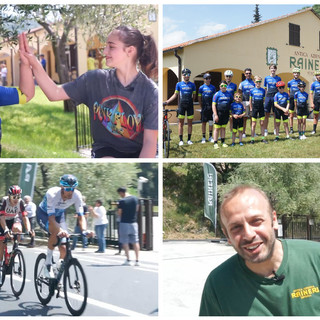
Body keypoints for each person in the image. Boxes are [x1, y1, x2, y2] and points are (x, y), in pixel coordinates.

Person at [20, 26, 158, 158]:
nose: (104, 52)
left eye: (111, 46)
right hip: (106, 151)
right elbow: (54, 93)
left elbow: (150, 143)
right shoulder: (94, 79)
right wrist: (33, 62)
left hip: (139, 153)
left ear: (130, 51)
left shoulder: (150, 92)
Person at [200, 185, 320, 316]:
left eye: (256, 221)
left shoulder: (315, 258)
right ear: (227, 236)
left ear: (274, 220)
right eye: (236, 227)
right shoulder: (218, 285)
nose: (249, 234)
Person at [36, 174, 87, 278]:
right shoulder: (52, 194)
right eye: (68, 189)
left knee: (64, 247)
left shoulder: (77, 195)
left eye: (73, 188)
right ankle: (48, 264)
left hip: (59, 215)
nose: (71, 192)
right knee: (55, 232)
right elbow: (51, 219)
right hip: (44, 215)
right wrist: (60, 230)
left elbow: (81, 217)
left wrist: (85, 231)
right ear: (62, 187)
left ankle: (57, 270)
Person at [0, 186, 31, 285]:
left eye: (18, 197)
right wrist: (5, 230)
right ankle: (1, 263)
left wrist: (29, 230)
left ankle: (15, 251)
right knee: (1, 241)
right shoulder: (4, 201)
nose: (16, 199)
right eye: (14, 197)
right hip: (3, 221)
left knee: (18, 229)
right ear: (9, 196)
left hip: (13, 220)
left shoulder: (21, 202)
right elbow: (1, 217)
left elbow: (25, 217)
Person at [164, 68, 196, 146]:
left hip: (190, 106)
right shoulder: (179, 84)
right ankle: (181, 140)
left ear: (189, 75)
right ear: (182, 75)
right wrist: (167, 101)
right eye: (184, 74)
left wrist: (190, 102)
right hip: (181, 106)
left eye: (188, 74)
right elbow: (175, 95)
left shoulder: (193, 85)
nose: (186, 76)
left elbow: (194, 96)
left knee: (190, 124)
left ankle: (189, 139)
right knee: (180, 124)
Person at [117, 187, 140, 266]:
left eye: (120, 194)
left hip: (124, 223)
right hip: (134, 223)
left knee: (125, 241)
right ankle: (137, 260)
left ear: (121, 192)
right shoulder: (135, 199)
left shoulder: (122, 201)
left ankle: (128, 260)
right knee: (135, 241)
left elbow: (120, 212)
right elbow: (137, 209)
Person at [212, 81, 233, 149]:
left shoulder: (229, 94)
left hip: (226, 113)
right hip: (218, 113)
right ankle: (215, 143)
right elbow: (213, 105)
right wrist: (215, 115)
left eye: (225, 86)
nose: (223, 87)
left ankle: (223, 142)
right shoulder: (217, 94)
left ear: (227, 87)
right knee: (217, 128)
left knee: (223, 128)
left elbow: (232, 104)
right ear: (219, 87)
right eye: (222, 86)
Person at [264, 64, 281, 136]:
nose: (273, 70)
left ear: (276, 69)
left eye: (274, 68)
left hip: (275, 97)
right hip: (268, 97)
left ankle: (275, 130)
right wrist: (265, 98)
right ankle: (265, 130)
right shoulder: (266, 78)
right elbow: (265, 89)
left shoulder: (278, 78)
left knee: (275, 114)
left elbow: (280, 89)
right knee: (266, 114)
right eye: (271, 68)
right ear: (269, 69)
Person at [198, 73, 216, 143]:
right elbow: (199, 97)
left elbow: (214, 98)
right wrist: (201, 105)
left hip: (211, 107)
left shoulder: (213, 87)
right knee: (204, 122)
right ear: (204, 79)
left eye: (209, 78)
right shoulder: (201, 87)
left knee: (211, 122)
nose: (208, 80)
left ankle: (210, 136)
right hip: (204, 107)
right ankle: (203, 137)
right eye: (206, 78)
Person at [249, 76, 267, 144]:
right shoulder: (252, 90)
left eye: (259, 82)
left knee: (262, 123)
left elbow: (264, 100)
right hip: (254, 108)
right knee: (253, 124)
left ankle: (263, 138)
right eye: (257, 82)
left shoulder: (263, 90)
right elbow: (250, 100)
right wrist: (251, 108)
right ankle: (252, 139)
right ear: (254, 82)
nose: (258, 83)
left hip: (261, 108)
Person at [238, 68, 255, 138]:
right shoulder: (242, 83)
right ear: (244, 74)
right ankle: (243, 133)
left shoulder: (254, 83)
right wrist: (241, 103)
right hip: (244, 102)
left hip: (252, 102)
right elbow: (239, 94)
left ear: (251, 74)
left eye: (249, 73)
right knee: (244, 118)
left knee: (252, 118)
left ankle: (252, 133)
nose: (248, 74)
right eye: (247, 73)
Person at [287, 67, 301, 134]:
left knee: (298, 114)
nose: (296, 74)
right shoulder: (289, 82)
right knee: (291, 115)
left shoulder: (301, 82)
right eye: (295, 73)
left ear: (299, 74)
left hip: (299, 99)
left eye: (297, 73)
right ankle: (291, 128)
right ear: (293, 74)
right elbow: (289, 92)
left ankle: (299, 128)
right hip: (292, 99)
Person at [224, 70, 237, 136]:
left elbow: (235, 95)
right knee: (223, 119)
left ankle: (232, 134)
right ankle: (222, 135)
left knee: (231, 119)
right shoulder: (223, 84)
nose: (228, 77)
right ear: (225, 77)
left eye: (230, 76)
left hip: (231, 104)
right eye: (227, 76)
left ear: (231, 77)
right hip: (224, 104)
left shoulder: (234, 85)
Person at [310, 70, 320, 134]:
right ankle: (314, 130)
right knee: (315, 116)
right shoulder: (313, 84)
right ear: (316, 76)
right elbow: (311, 94)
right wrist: (311, 103)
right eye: (318, 75)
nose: (319, 76)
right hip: (316, 100)